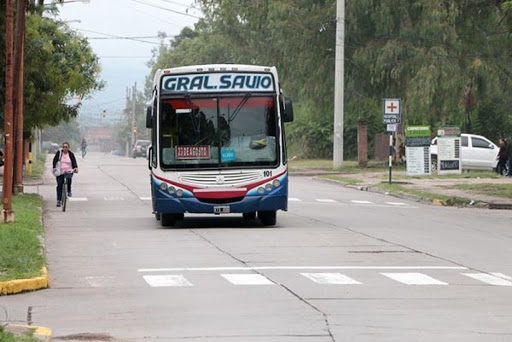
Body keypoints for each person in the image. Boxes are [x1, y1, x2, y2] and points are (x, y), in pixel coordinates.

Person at [53, 142, 78, 207]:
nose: (65, 148)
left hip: (68, 171)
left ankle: (69, 190)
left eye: (66, 147)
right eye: (63, 147)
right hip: (60, 171)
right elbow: (54, 160)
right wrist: (54, 168)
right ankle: (59, 200)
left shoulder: (71, 154)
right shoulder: (59, 153)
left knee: (69, 179)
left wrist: (75, 168)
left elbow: (74, 161)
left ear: (68, 148)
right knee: (59, 185)